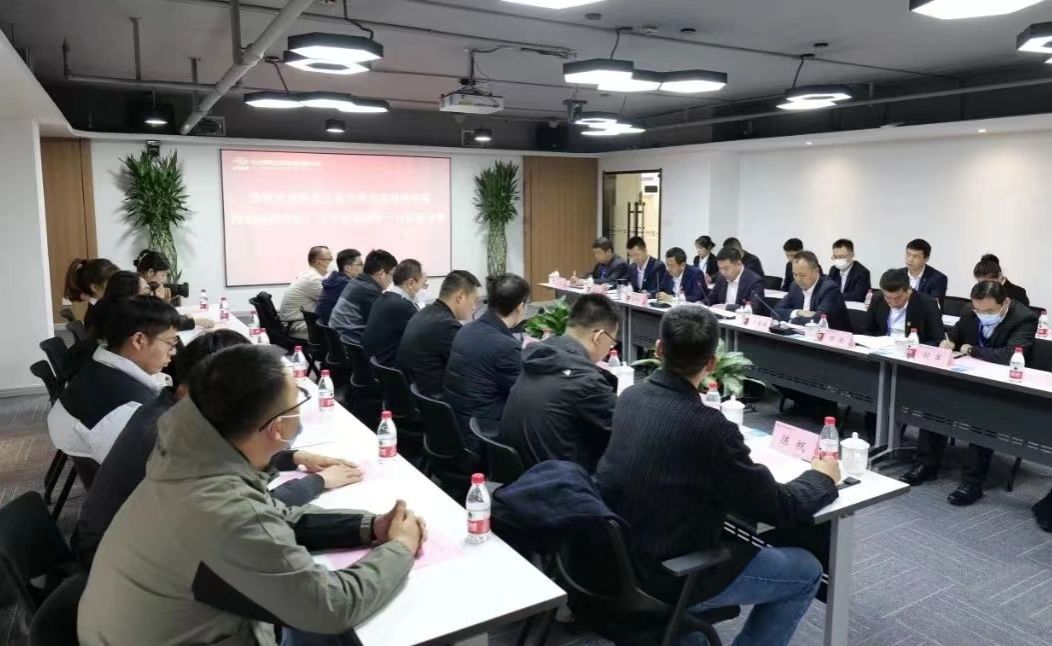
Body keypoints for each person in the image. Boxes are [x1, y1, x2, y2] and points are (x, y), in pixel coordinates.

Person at [78, 344, 425, 646]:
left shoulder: (190, 459)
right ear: (277, 428)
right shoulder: (222, 505)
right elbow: (330, 606)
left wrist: (370, 527)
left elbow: (276, 515)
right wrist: (400, 547)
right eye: (297, 400)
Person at [596, 306, 840, 645]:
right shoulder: (710, 429)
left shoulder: (630, 397)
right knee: (806, 570)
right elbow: (778, 507)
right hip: (670, 572)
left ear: (659, 349)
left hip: (621, 558)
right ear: (711, 363)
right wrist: (822, 477)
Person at [74, 329, 362, 567]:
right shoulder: (174, 439)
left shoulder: (169, 409)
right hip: (120, 562)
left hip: (126, 546)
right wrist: (318, 482)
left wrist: (296, 456)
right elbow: (248, 511)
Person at [902, 281, 1038, 505]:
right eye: (978, 310)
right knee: (934, 402)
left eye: (989, 311)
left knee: (982, 416)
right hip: (969, 378)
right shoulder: (970, 310)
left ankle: (972, 482)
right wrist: (948, 342)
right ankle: (925, 464)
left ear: (1005, 303)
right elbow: (955, 335)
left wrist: (971, 349)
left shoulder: (1024, 318)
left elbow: (1009, 356)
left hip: (1001, 387)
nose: (982, 315)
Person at [47, 296, 181, 465]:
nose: (173, 352)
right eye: (170, 343)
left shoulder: (96, 367)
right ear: (139, 340)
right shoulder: (131, 410)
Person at [500, 294, 619, 472]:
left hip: (522, 473)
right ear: (598, 336)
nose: (610, 348)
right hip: (557, 479)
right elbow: (624, 432)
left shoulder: (540, 356)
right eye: (612, 342)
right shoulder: (585, 381)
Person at [444, 273, 530, 438]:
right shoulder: (505, 346)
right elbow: (525, 395)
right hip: (484, 434)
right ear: (520, 307)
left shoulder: (465, 330)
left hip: (457, 425)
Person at [397, 270, 481, 397]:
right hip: (434, 398)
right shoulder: (446, 325)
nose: (474, 307)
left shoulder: (424, 313)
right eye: (474, 300)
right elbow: (470, 368)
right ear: (460, 297)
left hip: (412, 394)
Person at [362, 259, 426, 367]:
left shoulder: (384, 298)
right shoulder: (404, 306)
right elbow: (424, 335)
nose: (423, 289)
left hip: (373, 364)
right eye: (423, 284)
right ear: (411, 283)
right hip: (390, 367)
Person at [329, 249, 397, 345]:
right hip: (352, 346)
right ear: (381, 274)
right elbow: (380, 326)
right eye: (392, 275)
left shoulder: (355, 282)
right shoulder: (369, 291)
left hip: (340, 342)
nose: (391, 280)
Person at [774, 251, 852, 331]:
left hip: (833, 337)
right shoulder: (795, 287)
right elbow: (776, 311)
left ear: (816, 271)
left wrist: (790, 321)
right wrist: (798, 312)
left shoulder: (830, 289)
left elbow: (818, 320)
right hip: (801, 335)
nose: (798, 279)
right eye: (795, 274)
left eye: (803, 275)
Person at [862, 270, 943, 342]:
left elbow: (937, 340)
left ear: (909, 290)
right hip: (881, 347)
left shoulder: (928, 304)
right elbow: (867, 330)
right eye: (888, 298)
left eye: (898, 298)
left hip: (911, 349)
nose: (893, 303)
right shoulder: (877, 298)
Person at [279, 246, 332, 340]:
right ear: (319, 262)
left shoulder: (308, 275)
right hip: (299, 326)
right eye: (330, 259)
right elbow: (333, 302)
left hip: (296, 323)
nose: (333, 262)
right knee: (340, 329)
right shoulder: (313, 279)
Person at [705, 246, 765, 311]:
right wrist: (700, 304)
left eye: (726, 268)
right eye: (720, 268)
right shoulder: (721, 277)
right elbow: (711, 298)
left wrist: (727, 307)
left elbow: (754, 307)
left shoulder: (754, 281)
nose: (723, 272)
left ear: (738, 264)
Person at [315, 248, 362, 324]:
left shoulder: (334, 280)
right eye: (360, 264)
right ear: (347, 268)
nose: (363, 267)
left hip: (324, 327)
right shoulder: (346, 285)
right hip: (334, 328)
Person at [901, 238, 948, 303]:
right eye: (908, 254)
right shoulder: (897, 275)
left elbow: (934, 305)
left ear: (926, 259)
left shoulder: (938, 279)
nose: (910, 259)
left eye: (915, 256)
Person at [828, 239, 872, 303]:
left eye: (841, 257)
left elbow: (858, 296)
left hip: (853, 307)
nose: (838, 260)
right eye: (835, 257)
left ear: (852, 255)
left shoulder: (862, 272)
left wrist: (835, 296)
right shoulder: (834, 269)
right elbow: (828, 290)